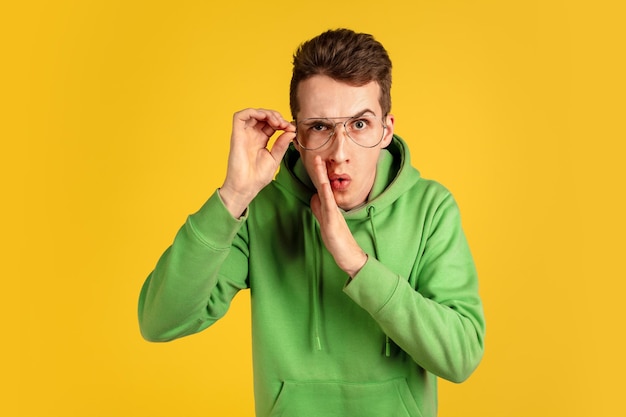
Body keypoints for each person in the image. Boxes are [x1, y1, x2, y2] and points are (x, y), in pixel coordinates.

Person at [138, 28, 485, 417]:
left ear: (386, 130)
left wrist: (357, 263)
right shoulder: (261, 211)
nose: (339, 153)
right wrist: (234, 195)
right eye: (320, 127)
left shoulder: (430, 207)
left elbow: (461, 356)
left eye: (359, 125)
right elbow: (159, 320)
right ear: (296, 135)